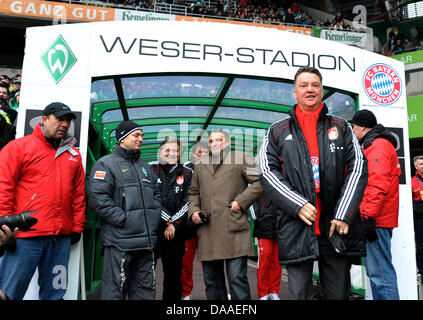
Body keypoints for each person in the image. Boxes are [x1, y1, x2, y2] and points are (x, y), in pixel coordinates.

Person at [259, 66, 368, 300]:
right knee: (300, 295)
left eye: (315, 85)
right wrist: (297, 204)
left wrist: (343, 213)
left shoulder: (341, 126)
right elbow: (267, 172)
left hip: (335, 227)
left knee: (339, 295)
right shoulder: (277, 130)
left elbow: (358, 168)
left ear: (321, 90)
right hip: (296, 227)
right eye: (304, 85)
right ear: (294, 92)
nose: (310, 89)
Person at [0, 102, 86, 300]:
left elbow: (79, 195)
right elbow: (3, 188)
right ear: (44, 119)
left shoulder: (73, 154)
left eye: (68, 120)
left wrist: (76, 227)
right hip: (23, 236)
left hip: (60, 239)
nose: (64, 124)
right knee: (9, 293)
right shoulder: (18, 147)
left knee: (55, 295)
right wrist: (5, 228)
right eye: (59, 119)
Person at [87, 120, 161, 300]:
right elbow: (98, 199)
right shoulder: (106, 164)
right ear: (122, 139)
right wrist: (124, 220)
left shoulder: (145, 167)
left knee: (145, 292)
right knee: (114, 292)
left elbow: (157, 195)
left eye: (142, 135)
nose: (141, 139)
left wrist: (152, 220)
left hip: (146, 243)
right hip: (119, 242)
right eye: (136, 135)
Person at [188, 129, 263, 300]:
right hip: (208, 231)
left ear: (227, 142)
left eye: (219, 140)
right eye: (211, 141)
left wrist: (241, 201)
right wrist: (194, 211)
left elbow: (259, 182)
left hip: (234, 228)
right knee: (212, 281)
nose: (214, 144)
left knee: (237, 279)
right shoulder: (200, 164)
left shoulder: (241, 157)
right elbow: (193, 193)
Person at [350, 109, 400, 300]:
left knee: (380, 273)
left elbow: (377, 184)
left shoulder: (377, 146)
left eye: (355, 126)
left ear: (363, 126)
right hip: (378, 218)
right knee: (378, 272)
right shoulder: (376, 144)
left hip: (376, 220)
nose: (353, 130)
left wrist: (367, 217)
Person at [150, 137, 193, 301]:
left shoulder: (188, 173)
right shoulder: (150, 169)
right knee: (147, 274)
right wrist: (168, 220)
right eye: (167, 150)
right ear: (161, 151)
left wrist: (174, 224)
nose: (171, 153)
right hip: (153, 230)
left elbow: (188, 201)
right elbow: (152, 199)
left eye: (175, 150)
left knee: (173, 277)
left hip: (176, 232)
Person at [180, 140, 208, 300]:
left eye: (205, 152)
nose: (203, 155)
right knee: (186, 262)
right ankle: (186, 293)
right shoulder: (185, 170)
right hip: (188, 223)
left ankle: (214, 292)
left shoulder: (213, 169)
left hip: (208, 224)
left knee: (211, 261)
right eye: (200, 152)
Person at [251, 194, 282, 300]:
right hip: (264, 227)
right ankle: (263, 292)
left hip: (279, 227)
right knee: (264, 262)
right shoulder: (260, 180)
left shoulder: (283, 179)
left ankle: (274, 291)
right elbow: (252, 200)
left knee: (277, 263)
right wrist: (258, 218)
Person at [412, 156, 423, 276]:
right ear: (415, 167)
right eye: (421, 164)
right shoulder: (412, 181)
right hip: (419, 220)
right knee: (421, 246)